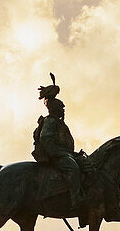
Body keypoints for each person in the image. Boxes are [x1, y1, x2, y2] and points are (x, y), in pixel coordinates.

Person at [32, 75, 84, 211]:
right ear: (55, 108)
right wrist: (61, 154)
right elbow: (46, 139)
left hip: (66, 154)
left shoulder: (60, 123)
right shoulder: (50, 121)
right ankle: (75, 199)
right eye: (61, 108)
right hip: (56, 156)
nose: (63, 110)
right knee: (73, 168)